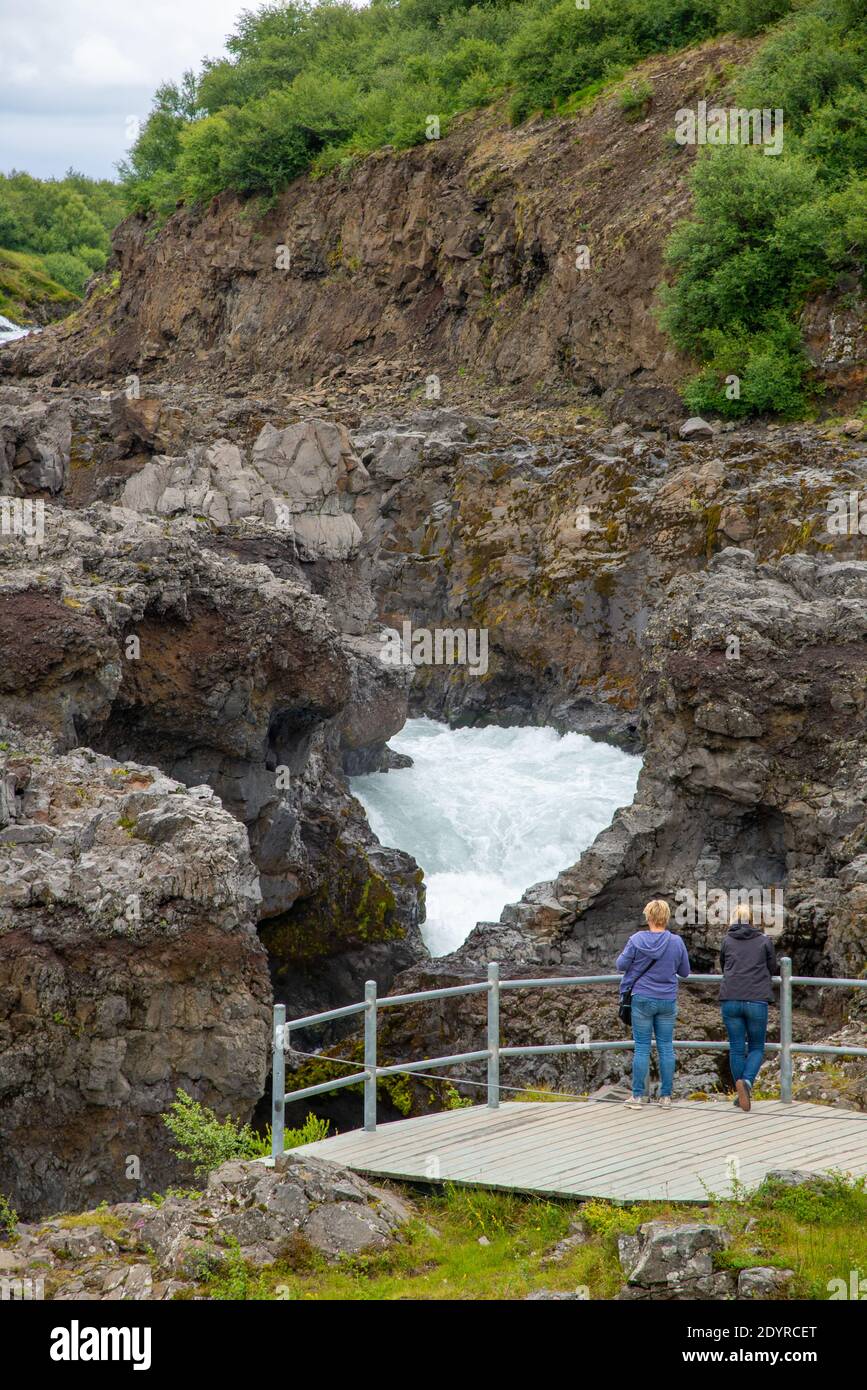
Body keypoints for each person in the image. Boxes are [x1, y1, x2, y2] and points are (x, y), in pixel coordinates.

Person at [617, 899, 691, 1110]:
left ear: (648, 917)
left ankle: (637, 1097)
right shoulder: (676, 942)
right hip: (667, 999)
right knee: (666, 1047)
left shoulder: (636, 940)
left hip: (642, 998)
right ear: (666, 918)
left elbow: (620, 965)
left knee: (641, 1047)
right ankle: (666, 1097)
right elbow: (685, 972)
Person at [719, 903, 777, 1112]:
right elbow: (773, 967)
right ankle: (747, 1083)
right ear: (753, 920)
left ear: (733, 919)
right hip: (756, 999)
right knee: (756, 1047)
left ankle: (739, 1094)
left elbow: (723, 964)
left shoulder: (727, 940)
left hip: (730, 998)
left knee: (736, 1048)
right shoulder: (764, 941)